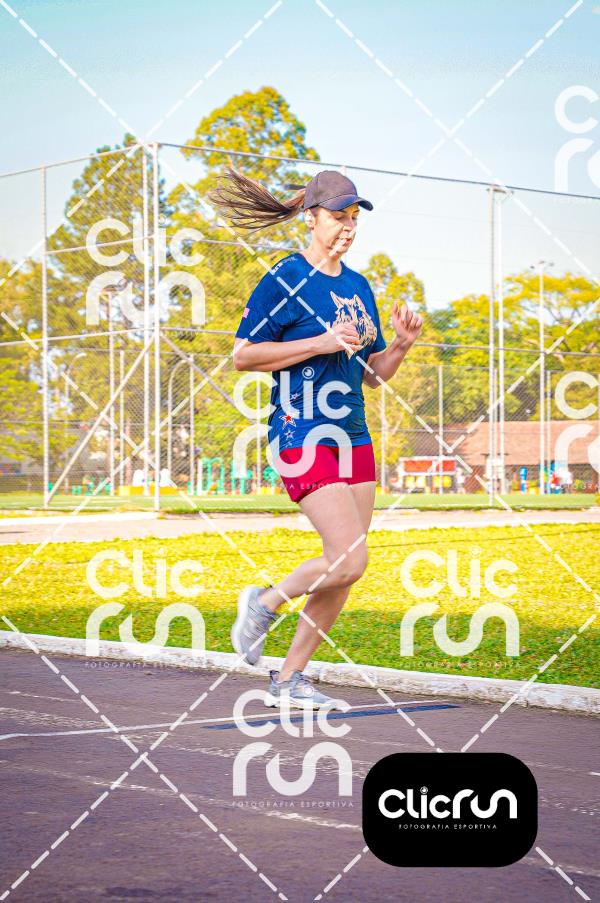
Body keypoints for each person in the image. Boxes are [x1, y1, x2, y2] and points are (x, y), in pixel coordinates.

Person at [209, 167, 423, 709]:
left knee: (346, 569)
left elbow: (371, 375)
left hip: (353, 434)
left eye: (354, 219)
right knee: (349, 556)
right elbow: (243, 356)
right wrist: (320, 342)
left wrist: (400, 345)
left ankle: (289, 678)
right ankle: (264, 602)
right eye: (337, 217)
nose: (347, 227)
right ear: (311, 218)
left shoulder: (358, 286)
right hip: (302, 430)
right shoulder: (286, 277)